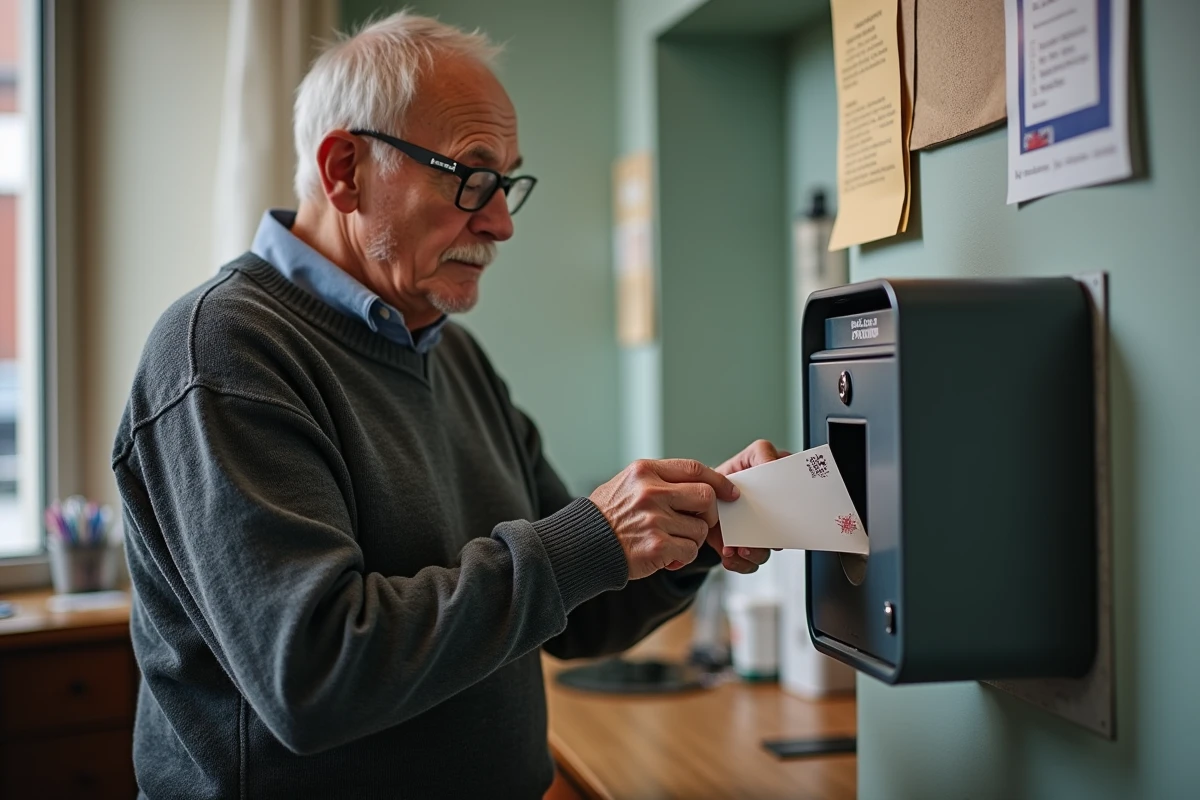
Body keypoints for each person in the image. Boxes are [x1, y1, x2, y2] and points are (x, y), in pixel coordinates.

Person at [113, 11, 783, 799]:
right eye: (471, 175)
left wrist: (693, 528)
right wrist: (588, 539)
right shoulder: (222, 351)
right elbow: (316, 673)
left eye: (507, 183)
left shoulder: (450, 352)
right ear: (344, 170)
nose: (498, 222)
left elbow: (577, 611)